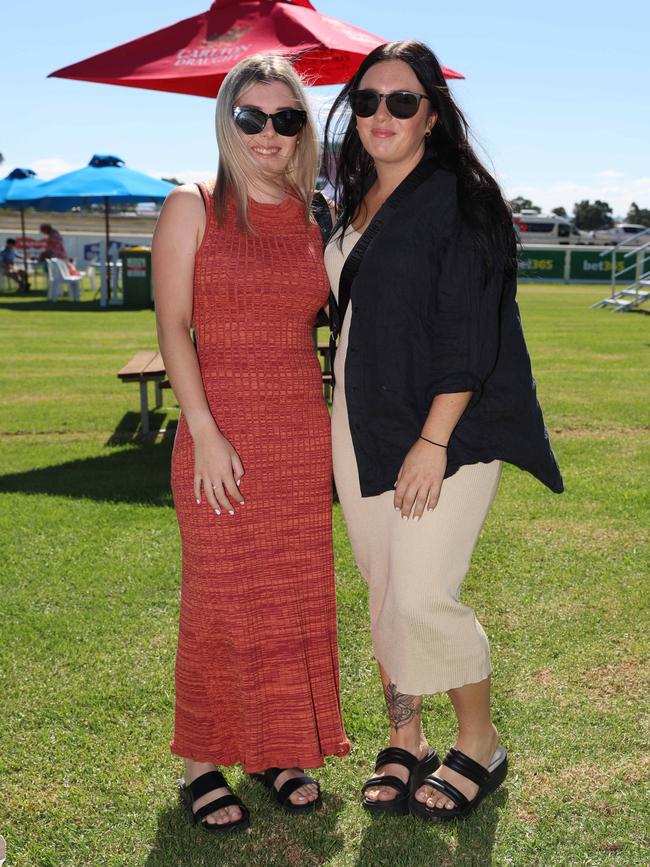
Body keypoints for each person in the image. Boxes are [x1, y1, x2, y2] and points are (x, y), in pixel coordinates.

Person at [324, 40, 563, 822]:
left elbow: (468, 335)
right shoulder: (351, 200)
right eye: (366, 101)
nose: (381, 115)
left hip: (443, 433)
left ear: (432, 112)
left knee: (424, 594)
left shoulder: (458, 196)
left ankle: (479, 742)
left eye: (401, 101)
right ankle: (406, 737)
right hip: (359, 424)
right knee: (386, 589)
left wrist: (432, 442)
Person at [152, 54, 349, 834]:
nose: (270, 133)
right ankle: (203, 760)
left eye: (288, 118)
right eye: (252, 118)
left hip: (300, 435)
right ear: (227, 121)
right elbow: (172, 327)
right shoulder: (190, 205)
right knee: (219, 595)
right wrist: (203, 431)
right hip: (216, 434)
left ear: (303, 128)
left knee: (291, 596)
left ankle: (275, 749)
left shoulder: (314, 218)